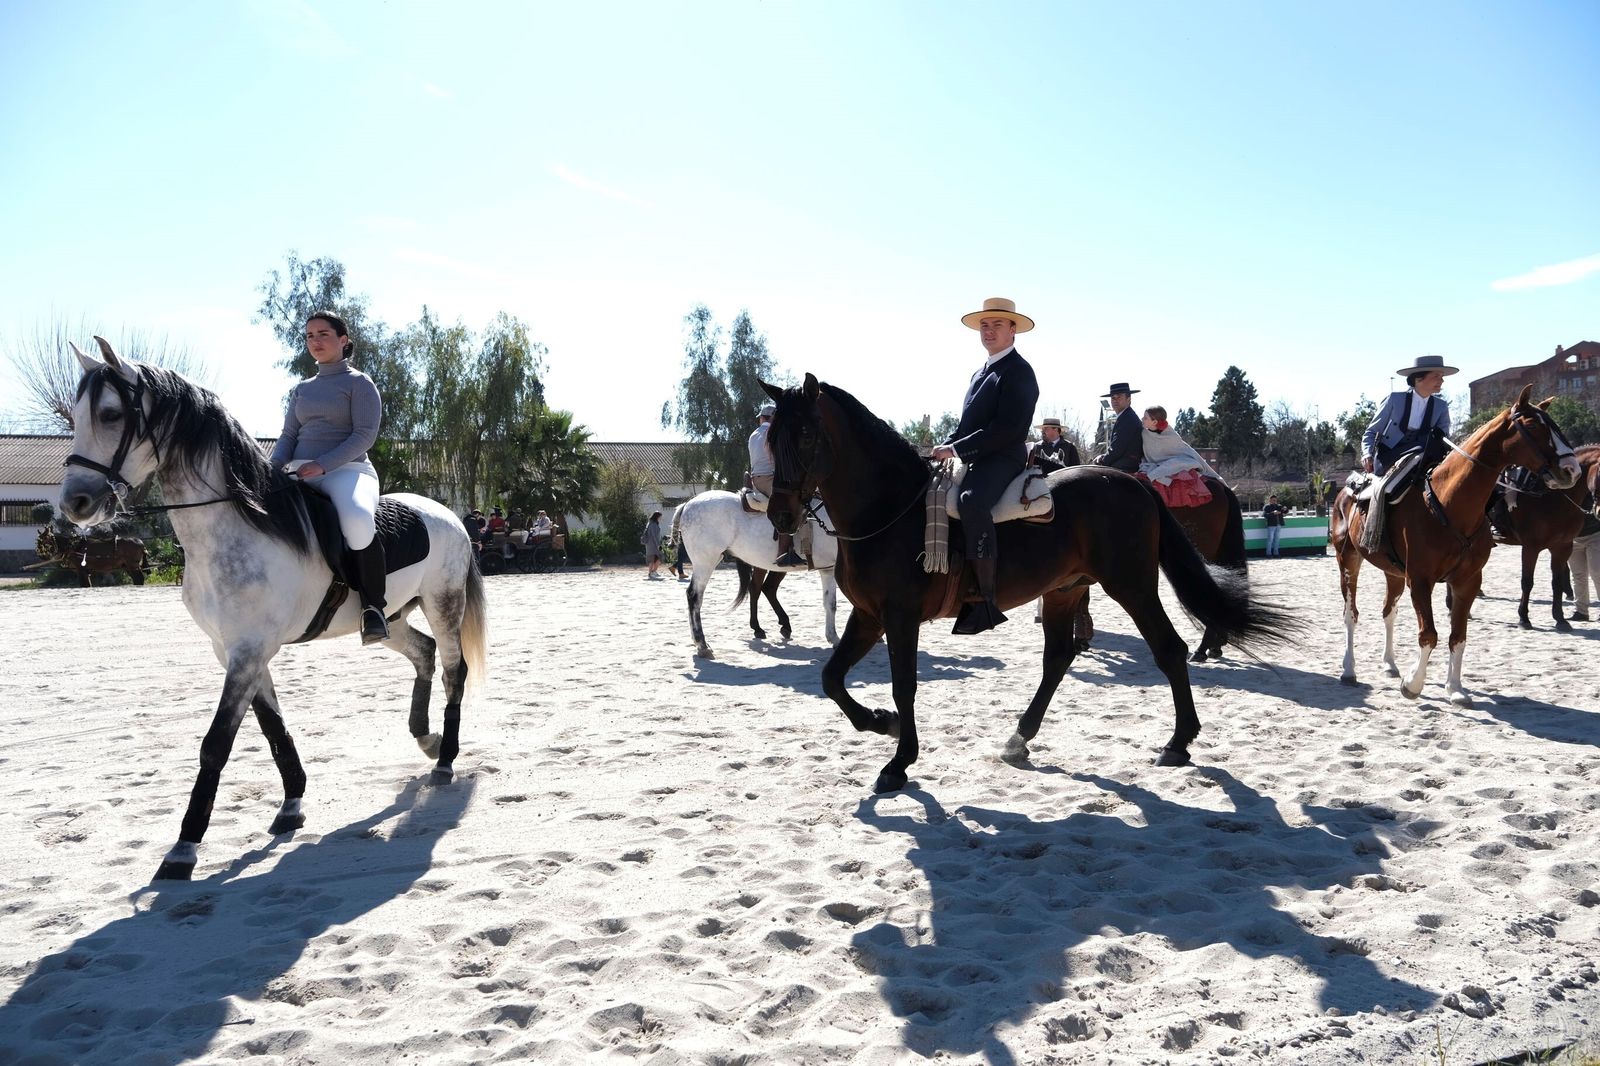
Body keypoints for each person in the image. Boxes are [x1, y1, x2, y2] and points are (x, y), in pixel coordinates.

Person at [270, 312, 390, 644]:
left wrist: (322, 464)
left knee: (357, 522)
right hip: (300, 470)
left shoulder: (359, 383)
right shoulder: (302, 389)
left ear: (343, 341)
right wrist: (270, 468)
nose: (315, 341)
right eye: (309, 336)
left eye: (323, 334)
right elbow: (287, 437)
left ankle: (373, 609)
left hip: (348, 470)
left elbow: (364, 436)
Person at [930, 297, 1040, 634]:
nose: (989, 331)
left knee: (971, 501)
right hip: (977, 455)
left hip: (1004, 456)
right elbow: (967, 426)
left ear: (1013, 331)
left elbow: (1008, 429)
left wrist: (958, 448)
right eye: (984, 325)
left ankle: (986, 599)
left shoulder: (1019, 372)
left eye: (996, 325)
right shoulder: (981, 372)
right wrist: (945, 445)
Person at [1362, 355, 1456, 475]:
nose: (1442, 381)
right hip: (1389, 456)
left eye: (1442, 377)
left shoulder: (1441, 406)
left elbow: (1443, 437)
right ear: (1418, 379)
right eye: (1436, 376)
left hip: (1423, 456)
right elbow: (1371, 432)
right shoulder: (1394, 400)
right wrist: (1367, 453)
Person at [748, 403, 803, 567]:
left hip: (755, 478)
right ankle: (784, 553)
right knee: (791, 505)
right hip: (769, 479)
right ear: (774, 418)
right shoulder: (774, 433)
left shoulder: (753, 435)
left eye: (760, 417)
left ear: (762, 418)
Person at [1137, 406, 1217, 507]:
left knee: (1173, 465)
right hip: (1155, 464)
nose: (1142, 419)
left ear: (1154, 422)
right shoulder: (1144, 433)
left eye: (1145, 417)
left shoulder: (1171, 435)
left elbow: (1182, 450)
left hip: (1178, 462)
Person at [1093, 384, 1143, 473]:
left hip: (1127, 465)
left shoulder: (1128, 418)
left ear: (1129, 399)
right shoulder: (1125, 416)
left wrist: (1103, 461)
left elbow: (1117, 448)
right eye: (1113, 398)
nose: (1115, 401)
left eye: (1119, 397)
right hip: (1123, 463)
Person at [1569, 504, 1600, 622]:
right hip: (1572, 536)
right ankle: (1581, 611)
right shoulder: (1565, 488)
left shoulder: (1594, 488)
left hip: (1596, 534)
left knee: (1597, 571)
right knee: (1578, 575)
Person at [642, 510, 664, 579]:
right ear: (657, 517)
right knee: (654, 559)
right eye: (660, 517)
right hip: (652, 545)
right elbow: (654, 536)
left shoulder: (652, 523)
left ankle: (653, 572)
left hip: (653, 544)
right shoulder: (653, 524)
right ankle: (651, 573)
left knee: (656, 558)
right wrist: (658, 545)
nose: (661, 518)